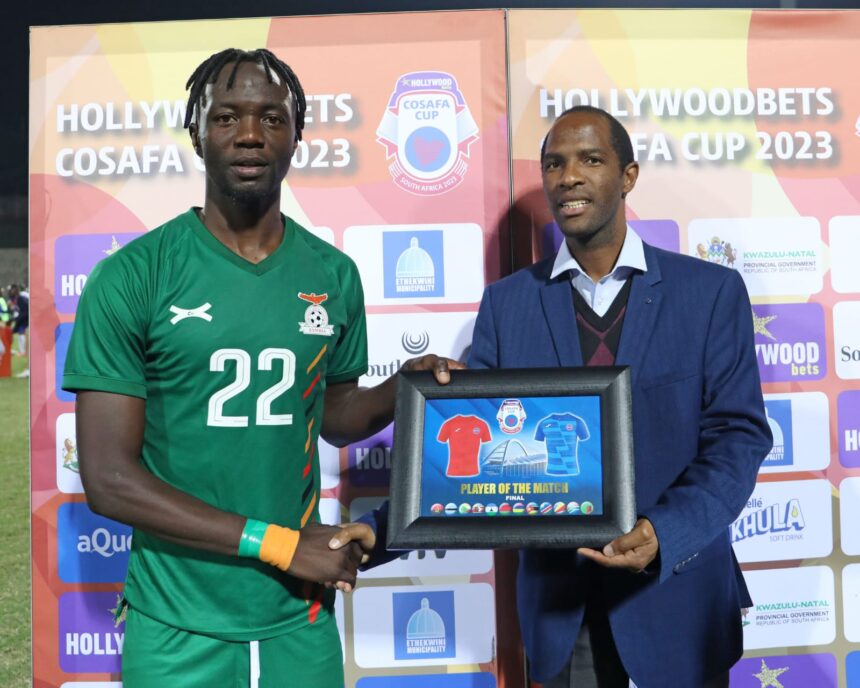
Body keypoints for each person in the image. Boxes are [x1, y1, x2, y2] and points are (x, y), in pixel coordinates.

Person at [62, 48, 458, 688]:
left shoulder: (332, 274)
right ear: (197, 133)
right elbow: (109, 479)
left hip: (297, 618)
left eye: (272, 118)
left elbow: (331, 415)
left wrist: (399, 390)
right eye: (227, 118)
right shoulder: (133, 275)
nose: (250, 134)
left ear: (297, 136)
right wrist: (281, 544)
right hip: (177, 623)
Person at [467, 106, 772, 688]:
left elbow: (739, 438)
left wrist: (664, 532)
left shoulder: (709, 293)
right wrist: (381, 531)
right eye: (554, 163)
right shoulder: (507, 305)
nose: (568, 177)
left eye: (590, 160)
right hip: (563, 608)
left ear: (628, 176)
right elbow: (468, 451)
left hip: (680, 597)